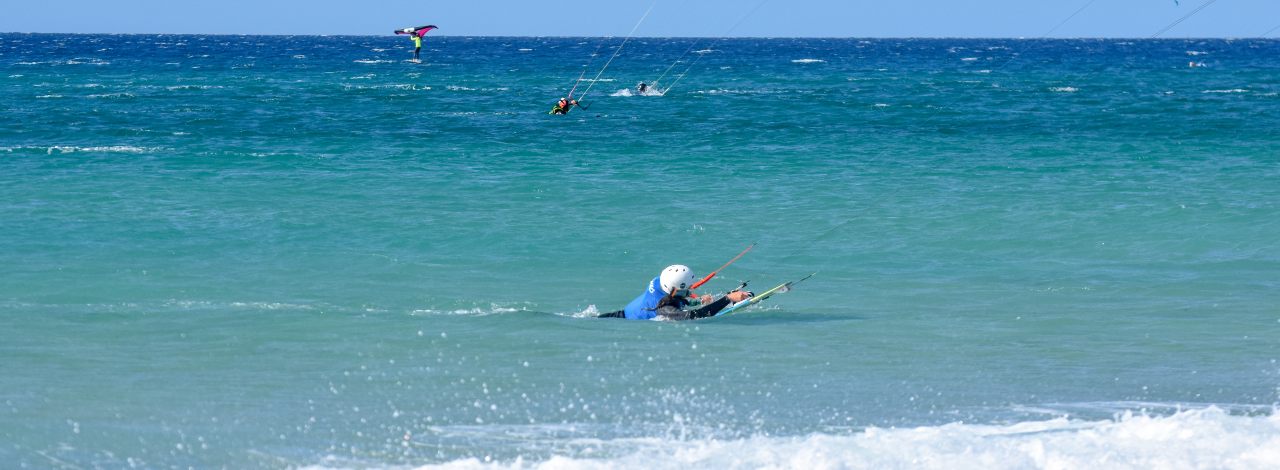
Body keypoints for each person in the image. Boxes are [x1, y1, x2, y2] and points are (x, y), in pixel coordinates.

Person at [598, 265, 752, 320]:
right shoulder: (664, 309)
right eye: (688, 288)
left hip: (621, 313)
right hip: (620, 321)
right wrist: (727, 299)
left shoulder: (661, 281)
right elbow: (695, 316)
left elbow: (677, 296)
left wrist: (697, 301)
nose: (691, 289)